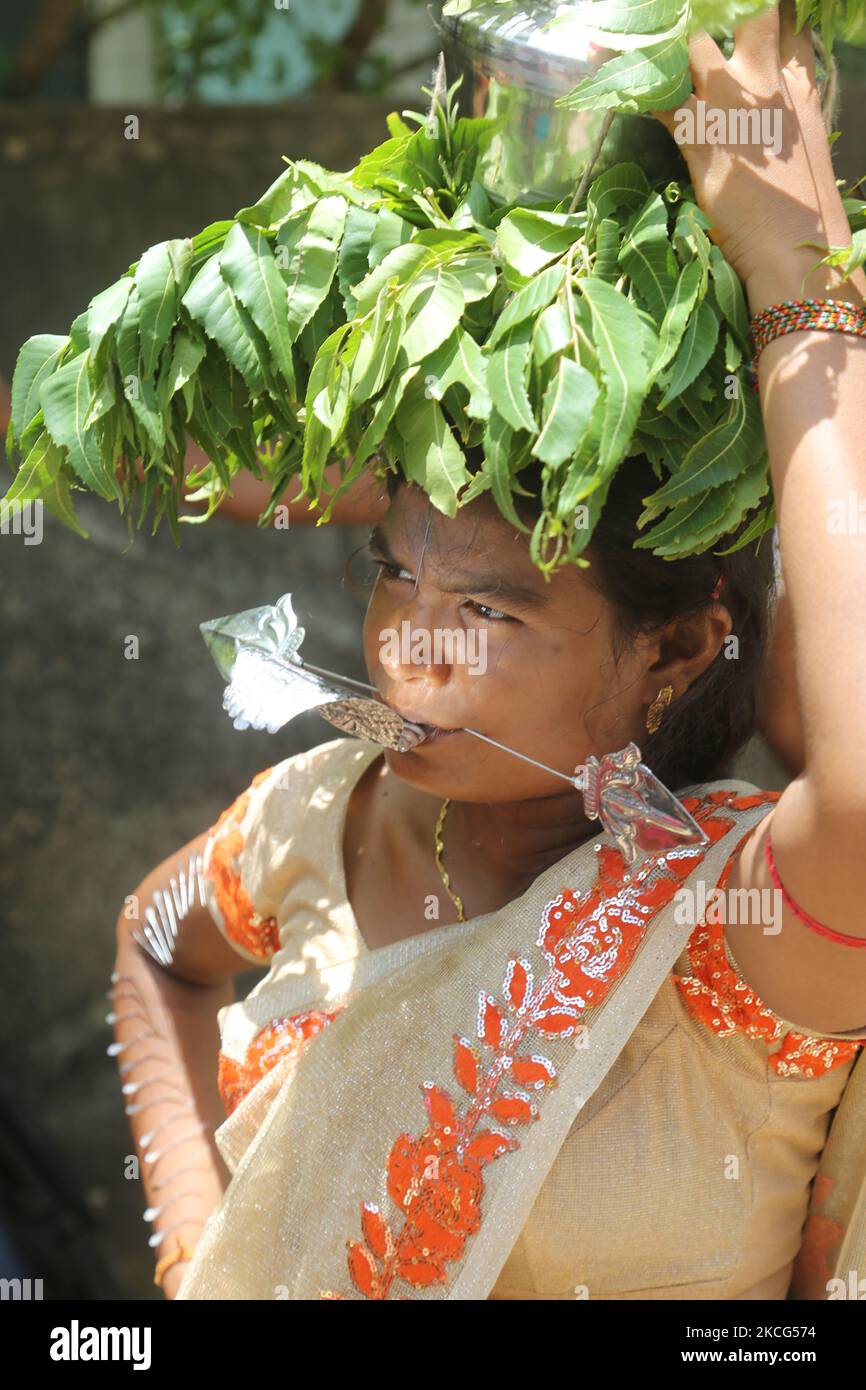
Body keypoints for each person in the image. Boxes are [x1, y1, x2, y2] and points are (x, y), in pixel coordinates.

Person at [111, 2, 866, 1300]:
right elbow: (153, 946)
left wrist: (800, 291)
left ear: (676, 646)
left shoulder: (723, 935)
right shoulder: (313, 821)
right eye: (392, 574)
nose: (407, 650)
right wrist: (195, 1262)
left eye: (488, 613)